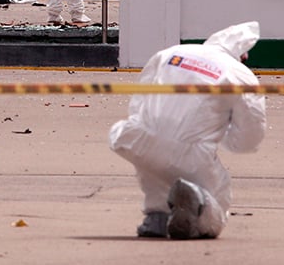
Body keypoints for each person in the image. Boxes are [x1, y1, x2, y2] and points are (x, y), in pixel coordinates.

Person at [108, 21, 267, 239]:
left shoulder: (172, 53)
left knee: (155, 170)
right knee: (218, 200)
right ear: (242, 55)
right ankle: (198, 205)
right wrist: (229, 142)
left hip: (140, 138)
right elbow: (251, 129)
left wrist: (142, 125)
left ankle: (157, 217)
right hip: (191, 154)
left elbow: (140, 96)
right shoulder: (239, 74)